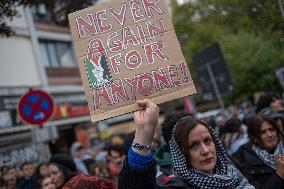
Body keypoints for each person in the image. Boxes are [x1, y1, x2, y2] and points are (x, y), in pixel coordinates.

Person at [118, 99, 254, 189]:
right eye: (193, 145)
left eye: (207, 141)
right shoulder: (175, 185)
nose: (205, 150)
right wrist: (144, 133)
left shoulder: (233, 172)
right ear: (180, 153)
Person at [232, 115, 284, 189]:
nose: (269, 135)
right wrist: (279, 175)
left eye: (271, 129)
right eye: (263, 132)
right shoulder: (243, 161)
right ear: (254, 137)